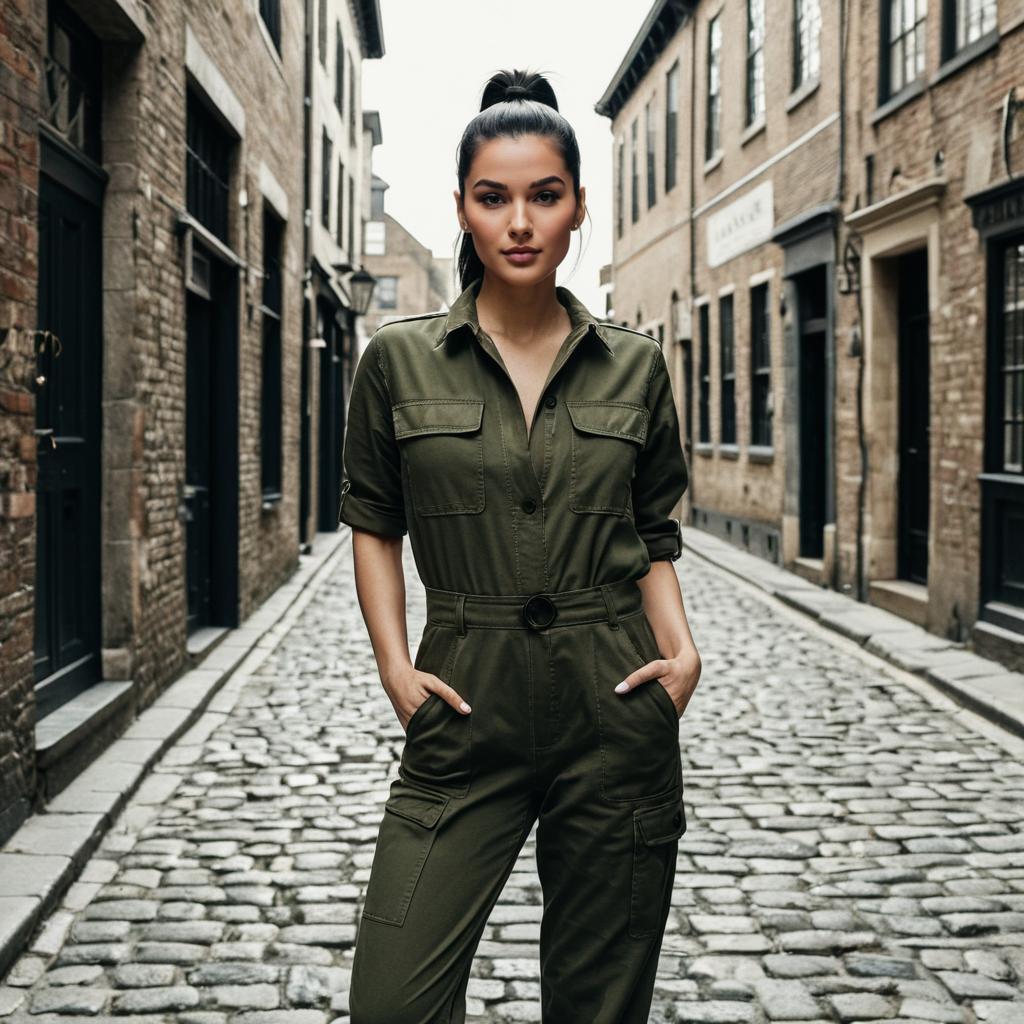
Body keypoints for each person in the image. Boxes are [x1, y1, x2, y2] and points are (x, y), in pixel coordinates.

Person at [340, 67, 703, 1024]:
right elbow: (373, 520)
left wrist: (682, 653)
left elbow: (653, 529)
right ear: (460, 208)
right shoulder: (400, 360)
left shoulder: (635, 367)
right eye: (494, 198)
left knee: (598, 1005)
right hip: (464, 709)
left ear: (578, 206)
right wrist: (395, 667)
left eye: (544, 195)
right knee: (392, 1004)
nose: (520, 222)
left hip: (614, 708)